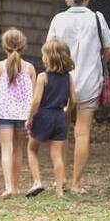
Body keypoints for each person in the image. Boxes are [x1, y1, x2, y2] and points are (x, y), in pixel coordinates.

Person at [46, 0, 110, 194]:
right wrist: (96, 63)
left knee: (62, 132)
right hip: (89, 83)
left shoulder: (58, 19)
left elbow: (48, 51)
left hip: (63, 82)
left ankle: (61, 179)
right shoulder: (97, 18)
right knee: (82, 133)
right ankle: (76, 184)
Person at [25, 40, 77, 198]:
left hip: (43, 115)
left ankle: (37, 182)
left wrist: (30, 117)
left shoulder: (42, 77)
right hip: (59, 116)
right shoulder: (68, 78)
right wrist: (67, 114)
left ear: (48, 58)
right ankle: (60, 190)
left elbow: (36, 101)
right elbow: (74, 100)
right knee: (57, 154)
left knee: (32, 149)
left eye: (43, 54)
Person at [0, 28, 36, 199]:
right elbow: (35, 94)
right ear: (23, 46)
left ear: (4, 46)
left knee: (6, 149)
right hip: (23, 115)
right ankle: (15, 187)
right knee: (18, 149)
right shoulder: (30, 68)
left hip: (3, 113)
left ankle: (8, 187)